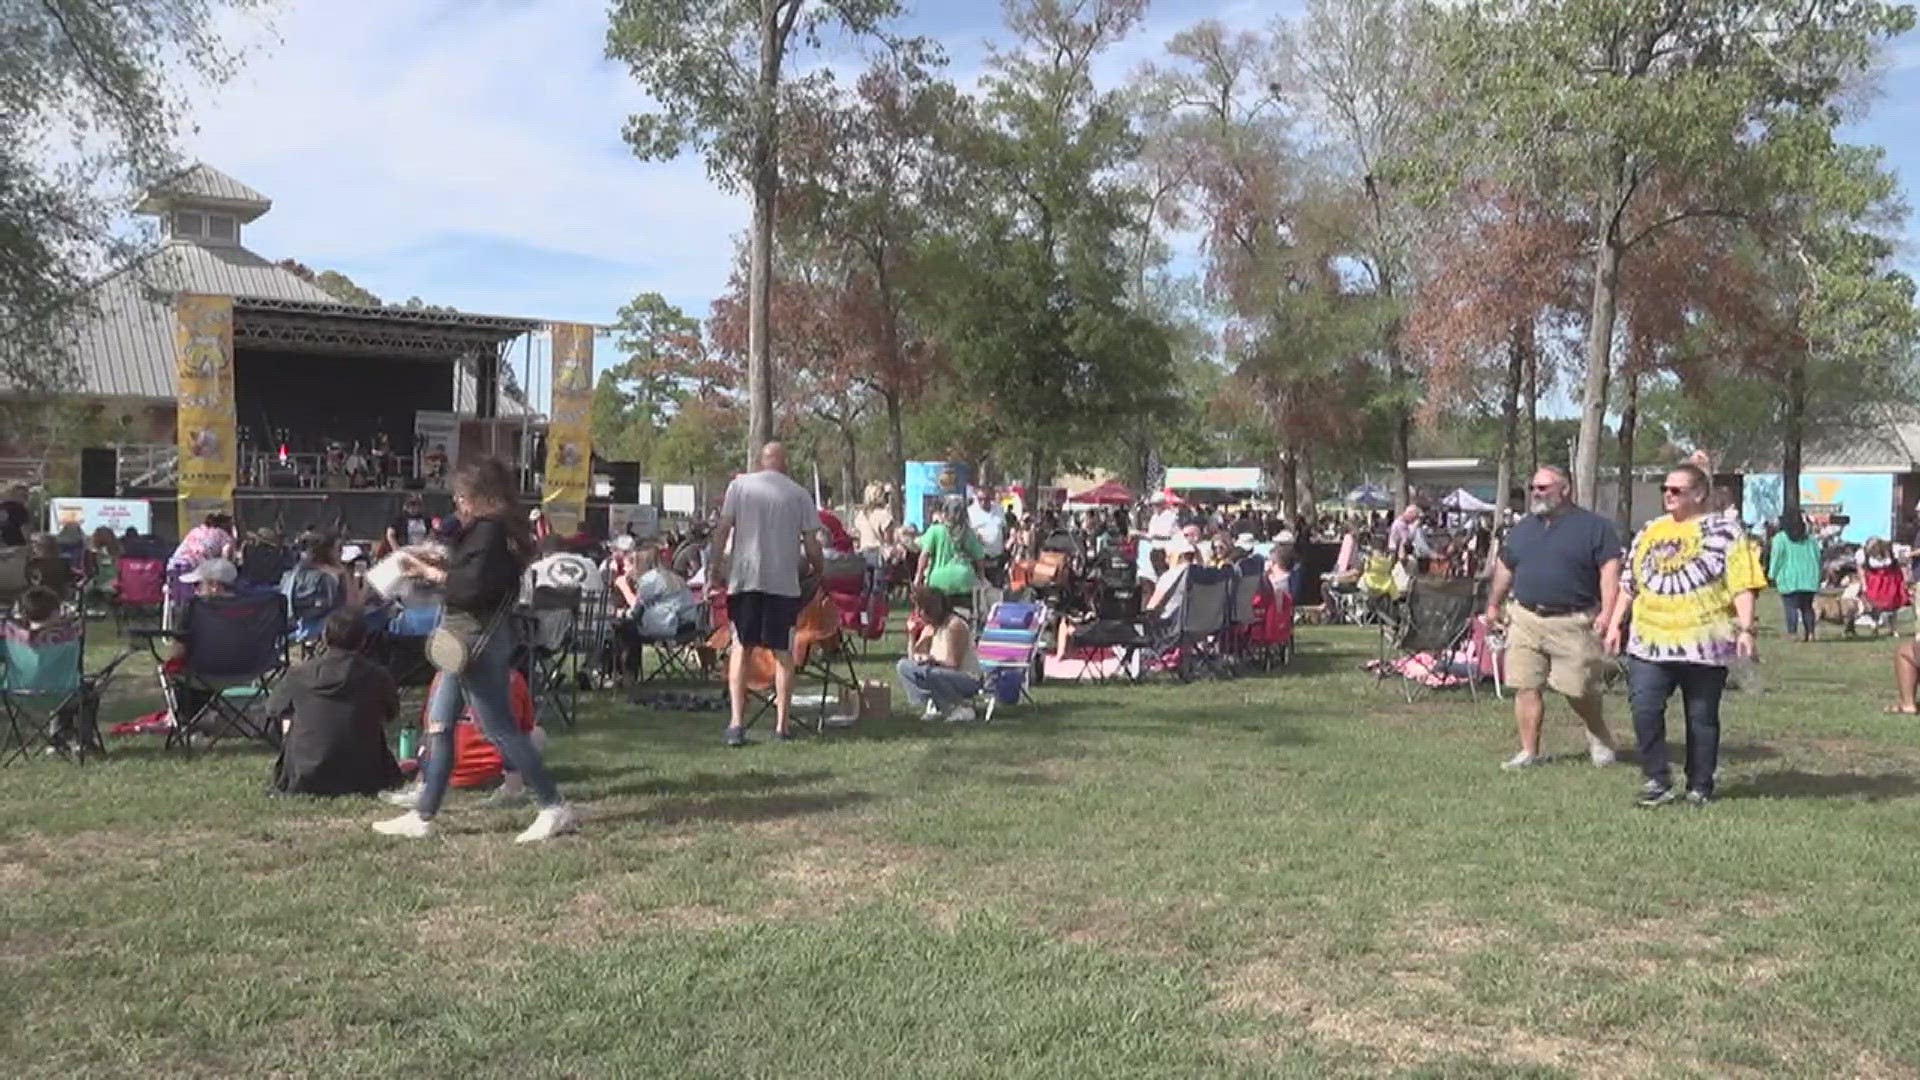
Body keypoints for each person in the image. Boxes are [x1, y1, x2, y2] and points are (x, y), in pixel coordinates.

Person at [373, 457, 575, 842]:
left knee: (499, 729)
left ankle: (553, 806)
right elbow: (475, 575)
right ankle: (424, 812)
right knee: (440, 722)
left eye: (462, 498)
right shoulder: (499, 532)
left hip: (475, 641)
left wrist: (431, 574)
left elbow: (473, 587)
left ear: (481, 498)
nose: (458, 506)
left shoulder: (490, 533)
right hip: (468, 640)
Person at [1605, 464, 1765, 808]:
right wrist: (1616, 623)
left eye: (1677, 490)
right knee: (1644, 708)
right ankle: (1657, 779)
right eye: (1666, 488)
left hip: (1704, 641)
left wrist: (1746, 627)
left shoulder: (1725, 531)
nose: (1668, 495)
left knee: (1702, 716)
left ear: (1699, 494)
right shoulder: (1650, 530)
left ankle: (1700, 784)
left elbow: (1742, 583)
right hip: (1650, 639)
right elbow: (1629, 584)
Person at [1484, 467, 1621, 770]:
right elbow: (1505, 568)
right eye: (1533, 487)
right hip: (1525, 617)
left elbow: (1609, 573)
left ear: (1566, 489)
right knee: (1525, 684)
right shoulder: (1523, 529)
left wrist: (1609, 616)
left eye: (1544, 487)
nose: (1536, 493)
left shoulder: (1594, 528)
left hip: (1574, 621)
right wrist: (1493, 605)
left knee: (1578, 688)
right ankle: (1528, 751)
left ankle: (1598, 735)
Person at [710, 441, 823, 747]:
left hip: (745, 581)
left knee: (741, 648)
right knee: (784, 653)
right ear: (784, 463)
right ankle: (782, 725)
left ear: (760, 462)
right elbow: (812, 543)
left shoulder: (740, 487)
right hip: (782, 584)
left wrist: (713, 569)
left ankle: (736, 723)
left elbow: (722, 530)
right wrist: (819, 569)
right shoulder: (799, 494)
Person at [267, 611, 404, 797]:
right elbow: (391, 713)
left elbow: (273, 708)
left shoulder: (299, 674)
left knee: (287, 714)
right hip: (365, 774)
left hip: (306, 774)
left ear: (324, 637)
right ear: (363, 640)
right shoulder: (378, 676)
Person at [897, 587, 983, 723]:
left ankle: (960, 709)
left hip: (967, 677)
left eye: (920, 610)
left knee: (933, 673)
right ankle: (932, 704)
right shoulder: (931, 627)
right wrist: (912, 637)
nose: (918, 614)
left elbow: (954, 664)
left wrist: (932, 661)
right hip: (938, 672)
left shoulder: (954, 626)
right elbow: (912, 658)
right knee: (903, 666)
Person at [916, 496, 984, 611]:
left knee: (938, 619)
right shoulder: (968, 533)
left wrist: (918, 577)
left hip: (938, 582)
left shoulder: (935, 530)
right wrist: (981, 577)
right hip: (964, 580)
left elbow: (924, 555)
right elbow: (979, 558)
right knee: (964, 617)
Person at [1768, 513, 1822, 643]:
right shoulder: (1811, 540)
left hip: (1789, 579)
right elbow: (1818, 558)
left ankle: (1792, 633)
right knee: (1807, 607)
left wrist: (1771, 575)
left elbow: (1776, 558)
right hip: (1809, 578)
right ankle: (1811, 633)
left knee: (1791, 607)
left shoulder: (1780, 539)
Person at [169, 511, 236, 574]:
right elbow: (225, 557)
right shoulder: (225, 536)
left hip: (174, 564)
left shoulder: (196, 530)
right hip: (195, 568)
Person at [968, 487, 1009, 587]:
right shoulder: (971, 512)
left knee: (997, 589)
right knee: (980, 589)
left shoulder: (999, 509)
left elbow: (1004, 529)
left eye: (986, 499)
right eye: (980, 499)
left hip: (996, 558)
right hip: (978, 559)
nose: (983, 502)